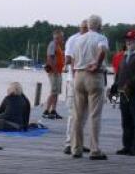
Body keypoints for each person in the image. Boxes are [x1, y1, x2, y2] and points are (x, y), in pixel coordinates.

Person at [71, 14, 109, 160]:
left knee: (78, 115)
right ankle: (94, 149)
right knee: (94, 115)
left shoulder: (79, 39)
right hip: (94, 76)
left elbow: (73, 58)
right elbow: (103, 51)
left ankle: (76, 148)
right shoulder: (101, 38)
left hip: (79, 75)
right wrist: (97, 64)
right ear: (99, 25)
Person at [62, 20, 89, 154]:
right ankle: (69, 142)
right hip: (74, 79)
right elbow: (68, 59)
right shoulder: (74, 40)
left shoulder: (73, 39)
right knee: (75, 113)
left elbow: (67, 60)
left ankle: (77, 142)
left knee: (82, 113)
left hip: (77, 79)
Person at [42, 29, 65, 119]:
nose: (63, 38)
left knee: (56, 92)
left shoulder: (58, 46)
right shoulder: (53, 45)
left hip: (58, 72)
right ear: (57, 37)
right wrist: (54, 70)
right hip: (54, 72)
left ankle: (53, 111)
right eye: (61, 37)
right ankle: (46, 111)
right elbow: (50, 57)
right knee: (53, 91)